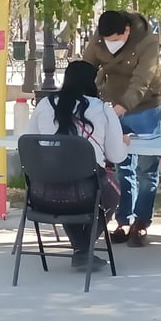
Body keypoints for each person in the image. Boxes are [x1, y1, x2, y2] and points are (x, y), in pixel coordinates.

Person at [27, 60, 129, 271]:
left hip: (43, 195)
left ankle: (81, 249)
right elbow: (116, 156)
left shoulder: (44, 105)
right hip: (88, 193)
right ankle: (84, 249)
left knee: (64, 187)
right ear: (93, 82)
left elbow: (28, 141)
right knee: (112, 192)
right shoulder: (101, 109)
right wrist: (123, 143)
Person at [83, 10, 161, 247]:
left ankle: (141, 222)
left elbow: (143, 79)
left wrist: (121, 108)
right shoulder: (100, 37)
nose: (110, 44)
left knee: (146, 168)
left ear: (127, 31)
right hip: (113, 101)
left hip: (147, 104)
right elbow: (87, 68)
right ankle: (124, 221)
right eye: (106, 40)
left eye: (115, 39)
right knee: (122, 165)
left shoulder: (147, 41)